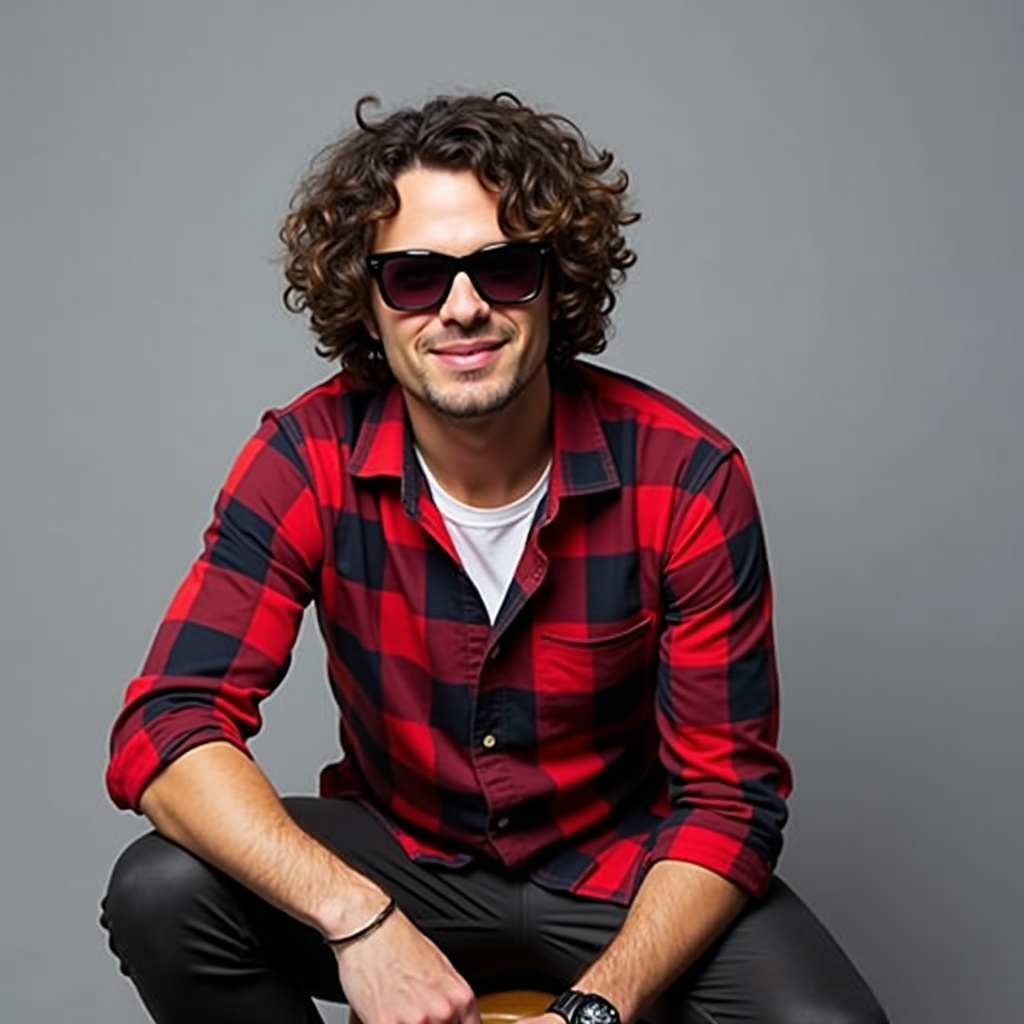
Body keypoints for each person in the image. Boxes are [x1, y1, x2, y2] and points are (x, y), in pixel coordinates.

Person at [101, 93, 887, 1024]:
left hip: (622, 874)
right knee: (161, 891)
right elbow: (170, 728)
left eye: (504, 268)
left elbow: (729, 801)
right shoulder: (304, 458)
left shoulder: (686, 474)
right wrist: (358, 920)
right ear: (370, 301)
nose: (463, 308)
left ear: (560, 284)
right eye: (416, 278)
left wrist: (594, 1013)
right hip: (404, 860)